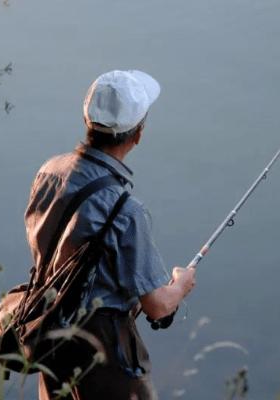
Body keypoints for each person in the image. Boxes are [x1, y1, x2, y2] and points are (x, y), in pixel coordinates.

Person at [24, 70, 196, 399]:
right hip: (101, 347)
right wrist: (181, 285)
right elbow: (157, 306)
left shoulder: (48, 172)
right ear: (138, 134)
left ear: (88, 120)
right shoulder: (126, 209)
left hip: (48, 330)